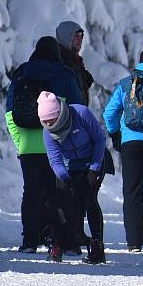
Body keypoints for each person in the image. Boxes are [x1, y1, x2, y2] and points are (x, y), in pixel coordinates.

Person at [5, 36, 84, 253]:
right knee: (59, 194)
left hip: (28, 145)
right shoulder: (64, 74)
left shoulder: (22, 73)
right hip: (57, 144)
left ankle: (29, 241)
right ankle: (60, 242)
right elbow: (77, 109)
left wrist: (21, 140)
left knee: (30, 192)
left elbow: (9, 112)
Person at [103, 46, 143, 252]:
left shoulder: (125, 83)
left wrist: (116, 135)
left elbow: (109, 113)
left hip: (130, 143)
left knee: (132, 192)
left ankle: (134, 242)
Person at [38, 92, 107, 264]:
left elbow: (99, 140)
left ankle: (97, 246)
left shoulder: (81, 114)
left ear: (59, 114)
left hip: (94, 159)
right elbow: (55, 160)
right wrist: (66, 179)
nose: (48, 124)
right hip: (70, 167)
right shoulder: (47, 133)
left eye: (51, 120)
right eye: (44, 121)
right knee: (63, 204)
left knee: (89, 200)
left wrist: (94, 169)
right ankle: (60, 244)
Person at [56, 20, 94, 106]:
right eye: (76, 36)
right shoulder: (59, 61)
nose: (80, 40)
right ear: (66, 36)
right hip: (65, 117)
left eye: (81, 36)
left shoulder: (76, 62)